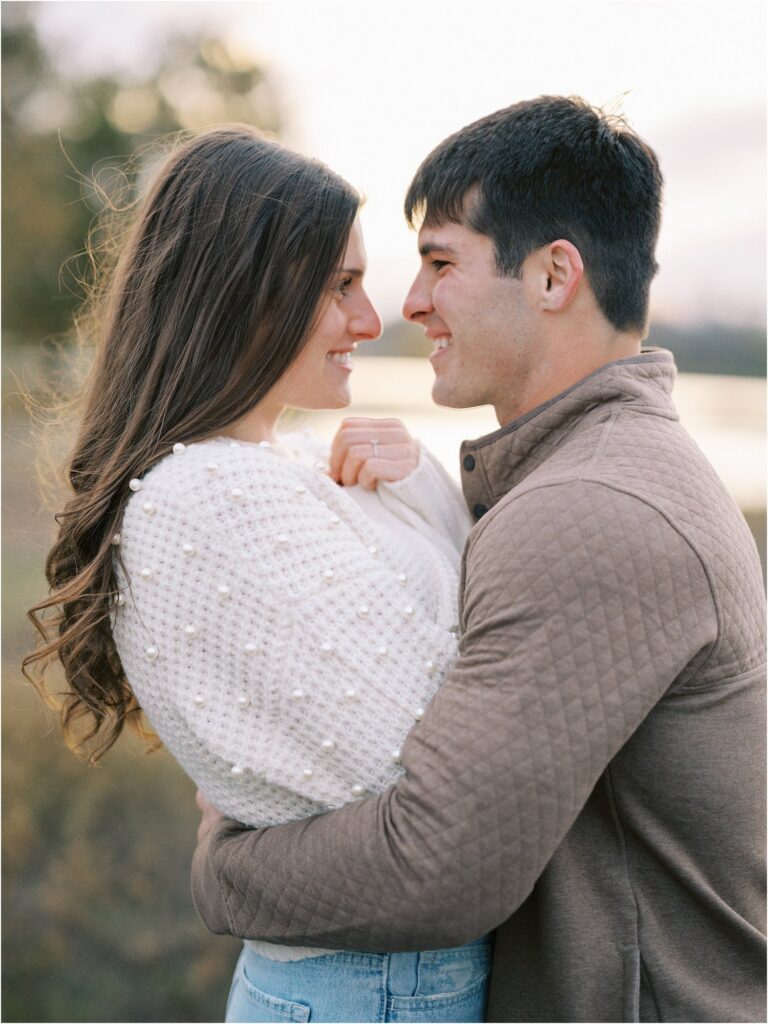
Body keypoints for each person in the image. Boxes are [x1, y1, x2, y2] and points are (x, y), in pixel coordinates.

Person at [191, 97, 767, 1023]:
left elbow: (434, 870)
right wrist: (424, 496)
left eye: (440, 262)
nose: (407, 306)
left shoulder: (593, 512)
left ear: (552, 276)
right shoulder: (601, 474)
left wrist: (224, 868)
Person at [23, 124, 496, 1023]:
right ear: (242, 290)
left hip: (373, 975)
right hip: (378, 987)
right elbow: (430, 760)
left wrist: (424, 484)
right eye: (340, 286)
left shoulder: (280, 469)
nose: (370, 320)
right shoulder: (209, 497)